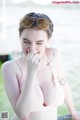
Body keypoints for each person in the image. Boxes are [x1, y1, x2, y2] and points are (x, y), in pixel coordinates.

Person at [1, 12, 79, 120]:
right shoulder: (9, 68)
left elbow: (64, 85)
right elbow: (23, 115)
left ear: (48, 41)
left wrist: (73, 113)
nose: (32, 48)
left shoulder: (54, 55)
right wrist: (31, 73)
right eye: (26, 41)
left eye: (39, 43)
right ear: (19, 38)